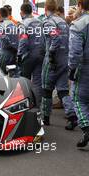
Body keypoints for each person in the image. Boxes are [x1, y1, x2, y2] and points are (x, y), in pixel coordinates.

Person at [41, 0, 77, 128]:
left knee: (46, 89)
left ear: (45, 8)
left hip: (53, 60)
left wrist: (50, 54)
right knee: (63, 90)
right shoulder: (63, 22)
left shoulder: (48, 21)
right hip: (64, 59)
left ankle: (45, 118)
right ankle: (72, 116)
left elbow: (55, 38)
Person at [68, 0, 89, 148]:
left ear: (80, 6)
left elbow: (75, 52)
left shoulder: (78, 24)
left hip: (85, 67)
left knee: (78, 99)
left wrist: (72, 69)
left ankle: (87, 129)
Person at [17, 3, 45, 105]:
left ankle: (26, 105)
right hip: (41, 54)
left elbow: (23, 40)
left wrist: (19, 55)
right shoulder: (40, 22)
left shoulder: (23, 23)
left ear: (22, 12)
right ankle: (37, 106)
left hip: (28, 55)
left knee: (25, 82)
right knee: (37, 83)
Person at [0, 7, 18, 73]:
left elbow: (1, 38)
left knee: (3, 74)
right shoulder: (14, 24)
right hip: (14, 53)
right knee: (12, 74)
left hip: (5, 53)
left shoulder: (0, 25)